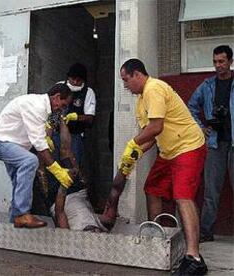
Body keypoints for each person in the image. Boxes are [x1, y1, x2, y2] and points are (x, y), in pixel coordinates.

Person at [118, 59, 208, 275]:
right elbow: (149, 137)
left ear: (137, 74)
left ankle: (194, 257)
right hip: (169, 151)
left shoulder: (154, 88)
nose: (125, 85)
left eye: (126, 80)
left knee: (183, 197)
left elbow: (155, 127)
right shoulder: (141, 101)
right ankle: (156, 240)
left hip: (188, 147)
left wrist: (133, 143)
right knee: (152, 189)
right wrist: (133, 154)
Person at [0, 83, 74, 228]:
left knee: (18, 182)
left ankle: (14, 223)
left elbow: (45, 129)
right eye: (63, 105)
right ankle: (22, 214)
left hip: (13, 146)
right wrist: (57, 171)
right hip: (0, 143)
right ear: (57, 98)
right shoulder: (36, 106)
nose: (63, 109)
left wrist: (46, 138)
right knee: (30, 160)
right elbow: (39, 144)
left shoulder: (47, 109)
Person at [188, 45, 233, 243]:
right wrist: (201, 128)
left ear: (230, 61)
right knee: (211, 192)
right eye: (215, 62)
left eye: (222, 61)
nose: (218, 66)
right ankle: (206, 232)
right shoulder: (207, 85)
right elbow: (190, 107)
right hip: (215, 143)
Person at [54, 63, 96, 165]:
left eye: (79, 80)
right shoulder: (59, 87)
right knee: (54, 164)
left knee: (72, 166)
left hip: (75, 136)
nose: (75, 82)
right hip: (56, 134)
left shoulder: (88, 92)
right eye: (73, 79)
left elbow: (90, 118)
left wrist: (76, 117)